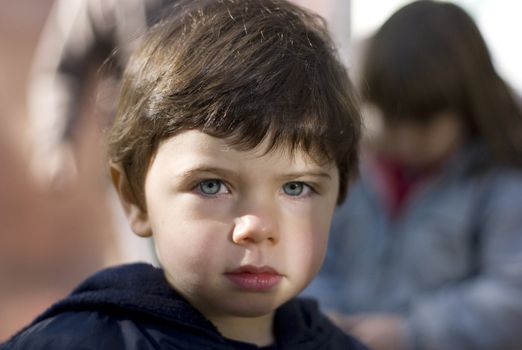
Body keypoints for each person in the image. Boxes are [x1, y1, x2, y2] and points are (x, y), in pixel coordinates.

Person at [1, 0, 366, 348]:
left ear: (339, 193)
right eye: (212, 185)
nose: (256, 226)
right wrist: (55, 140)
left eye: (296, 187)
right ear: (133, 199)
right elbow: (63, 67)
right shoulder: (77, 342)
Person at [303, 1, 522, 350]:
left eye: (423, 122)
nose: (405, 139)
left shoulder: (503, 181)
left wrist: (411, 331)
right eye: (393, 117)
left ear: (468, 103)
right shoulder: (352, 168)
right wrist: (319, 313)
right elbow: (314, 254)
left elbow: (514, 297)